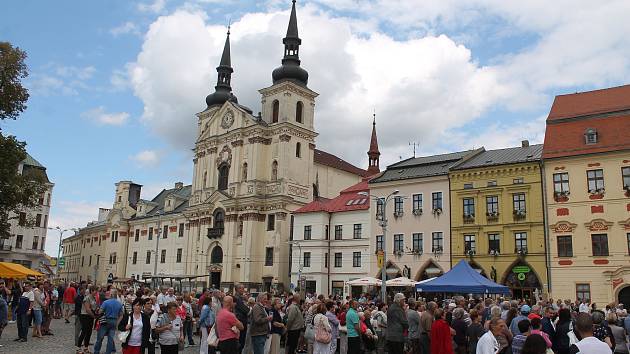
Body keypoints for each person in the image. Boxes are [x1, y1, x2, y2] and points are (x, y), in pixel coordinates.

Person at [94, 288, 124, 354]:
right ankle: (108, 352)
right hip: (114, 321)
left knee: (100, 338)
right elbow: (121, 315)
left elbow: (100, 312)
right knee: (110, 339)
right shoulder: (119, 303)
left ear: (111, 294)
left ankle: (96, 351)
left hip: (105, 321)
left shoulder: (106, 302)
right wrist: (117, 323)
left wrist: (98, 310)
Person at [78, 286, 98, 354]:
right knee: (84, 331)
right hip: (85, 316)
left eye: (96, 290)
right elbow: (87, 309)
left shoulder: (94, 298)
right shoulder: (87, 298)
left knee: (89, 332)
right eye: (95, 290)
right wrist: (94, 316)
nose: (96, 292)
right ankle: (78, 348)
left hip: (90, 316)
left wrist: (97, 311)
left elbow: (94, 307)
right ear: (91, 291)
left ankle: (86, 348)